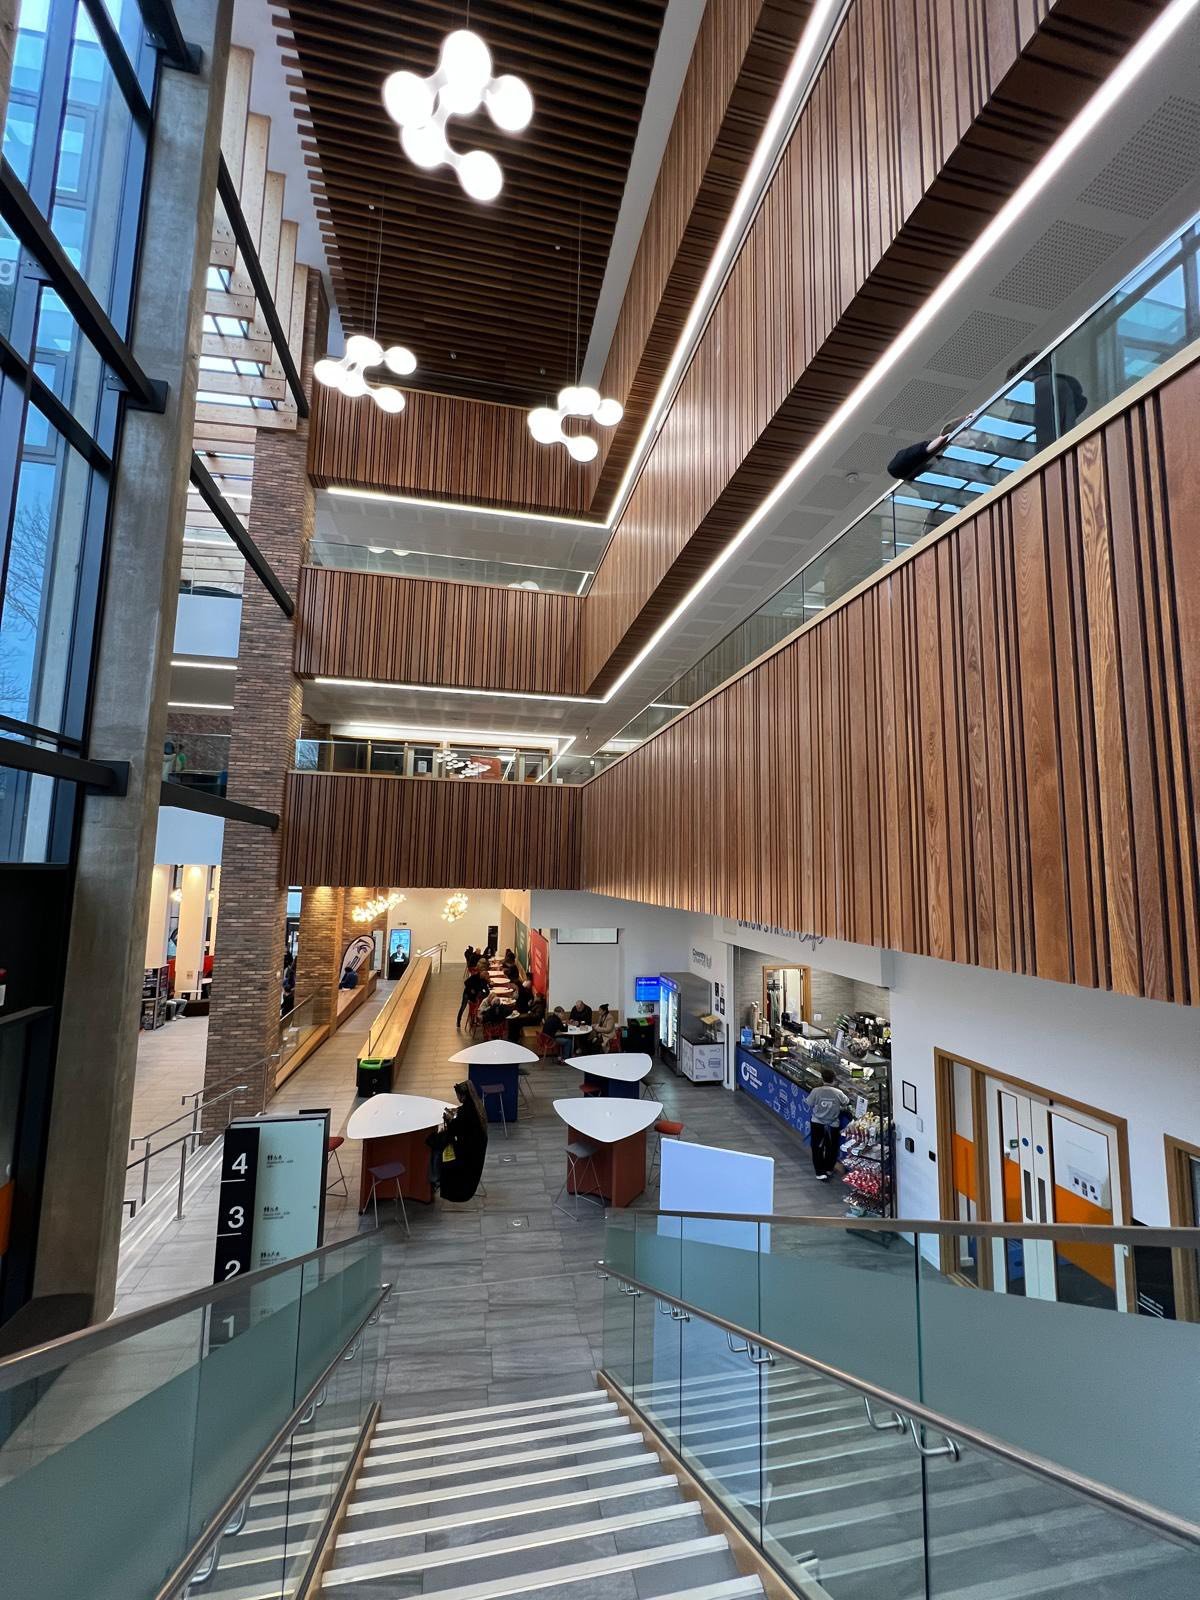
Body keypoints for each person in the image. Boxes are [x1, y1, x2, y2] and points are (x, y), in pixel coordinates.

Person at [428, 1080, 488, 1201]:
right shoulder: (475, 1106)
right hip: (475, 1148)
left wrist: (449, 1120)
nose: (458, 1098)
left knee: (436, 1145)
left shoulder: (467, 1112)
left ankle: (435, 1179)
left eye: (458, 1096)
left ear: (463, 1096)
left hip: (467, 1151)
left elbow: (455, 1130)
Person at [806, 1067, 850, 1182]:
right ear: (834, 1080)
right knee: (832, 1148)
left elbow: (809, 1102)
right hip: (832, 1124)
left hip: (817, 1123)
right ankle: (829, 1168)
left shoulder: (816, 1091)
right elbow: (846, 1102)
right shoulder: (838, 1093)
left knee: (817, 1148)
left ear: (822, 1078)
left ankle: (820, 1172)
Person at [456, 964, 490, 1028]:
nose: (484, 976)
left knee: (473, 1007)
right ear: (481, 973)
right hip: (467, 993)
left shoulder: (483, 980)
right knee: (463, 1007)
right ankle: (458, 1021)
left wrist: (484, 992)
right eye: (484, 974)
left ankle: (472, 1022)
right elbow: (466, 983)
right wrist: (471, 989)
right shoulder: (474, 977)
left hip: (474, 996)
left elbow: (486, 990)